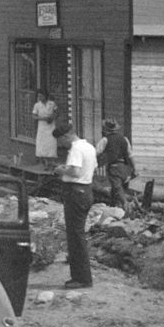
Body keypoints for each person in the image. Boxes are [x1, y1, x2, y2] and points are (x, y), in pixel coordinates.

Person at [56, 118, 98, 287]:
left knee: (75, 236)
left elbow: (74, 171)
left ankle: (82, 278)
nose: (61, 145)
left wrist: (60, 170)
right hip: (86, 190)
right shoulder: (89, 147)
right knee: (78, 234)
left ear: (66, 136)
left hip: (76, 191)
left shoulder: (75, 149)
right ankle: (81, 276)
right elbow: (92, 167)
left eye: (61, 141)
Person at [98, 119, 136, 211]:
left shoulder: (105, 140)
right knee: (119, 189)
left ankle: (126, 207)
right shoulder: (125, 139)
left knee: (118, 189)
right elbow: (130, 155)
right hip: (125, 168)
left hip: (114, 167)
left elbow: (97, 153)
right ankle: (115, 208)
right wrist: (134, 169)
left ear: (105, 130)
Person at [31, 90, 59, 166]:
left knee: (51, 141)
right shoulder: (37, 105)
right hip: (42, 126)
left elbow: (57, 112)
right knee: (42, 142)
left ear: (45, 96)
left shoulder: (52, 104)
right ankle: (44, 161)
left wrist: (52, 117)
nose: (40, 98)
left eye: (41, 96)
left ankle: (51, 160)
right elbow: (34, 116)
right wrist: (42, 118)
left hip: (51, 125)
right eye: (38, 96)